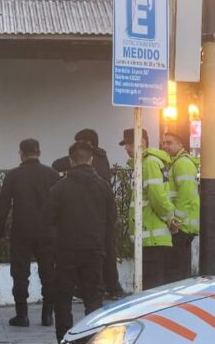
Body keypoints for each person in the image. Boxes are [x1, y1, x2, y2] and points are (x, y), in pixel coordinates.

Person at [45, 141, 117, 342]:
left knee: (63, 299)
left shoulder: (59, 188)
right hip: (94, 250)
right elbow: (112, 220)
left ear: (70, 161)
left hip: (66, 251)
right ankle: (92, 342)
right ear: (91, 160)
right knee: (93, 299)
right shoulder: (103, 187)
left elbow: (48, 221)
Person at [0, 138, 59, 327]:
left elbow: (3, 205)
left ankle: (22, 315)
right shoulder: (52, 174)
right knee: (48, 273)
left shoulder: (13, 176)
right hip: (47, 231)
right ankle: (48, 315)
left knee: (20, 274)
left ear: (21, 153)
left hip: (21, 231)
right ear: (39, 152)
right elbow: (61, 204)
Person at [71, 129, 125, 299]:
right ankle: (109, 288)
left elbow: (58, 164)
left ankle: (106, 288)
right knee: (105, 252)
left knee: (101, 254)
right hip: (102, 214)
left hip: (96, 215)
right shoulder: (102, 158)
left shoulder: (95, 161)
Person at [120, 128, 177, 290]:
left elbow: (157, 196)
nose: (126, 148)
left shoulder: (150, 163)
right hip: (149, 236)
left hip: (152, 237)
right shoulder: (145, 163)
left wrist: (169, 218)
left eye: (130, 144)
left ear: (142, 142)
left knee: (152, 288)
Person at [162, 131, 200, 282]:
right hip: (183, 225)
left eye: (169, 143)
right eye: (163, 143)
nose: (165, 146)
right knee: (179, 270)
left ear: (180, 145)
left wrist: (176, 220)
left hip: (181, 226)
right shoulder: (176, 163)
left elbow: (186, 194)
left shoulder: (182, 163)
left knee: (177, 272)